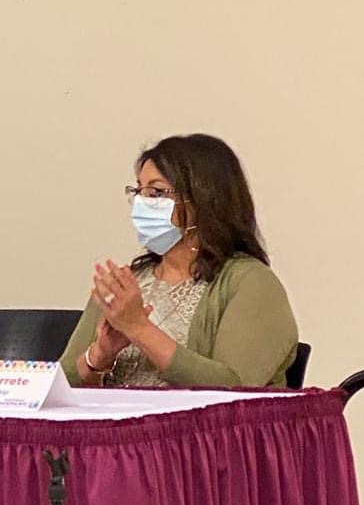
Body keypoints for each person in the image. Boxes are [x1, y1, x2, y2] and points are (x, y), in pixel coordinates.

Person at [61, 134, 299, 389]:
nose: (142, 204)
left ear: (203, 200)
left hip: (198, 430)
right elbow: (57, 387)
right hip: (113, 427)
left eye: (155, 192)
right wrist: (98, 358)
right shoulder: (126, 283)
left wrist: (140, 329)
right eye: (138, 191)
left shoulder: (250, 282)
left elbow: (234, 389)